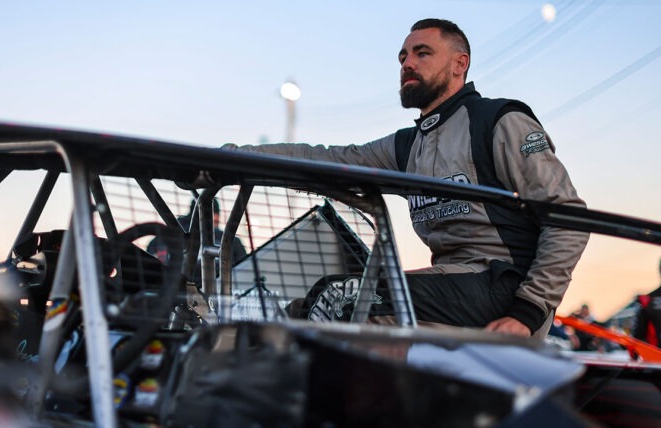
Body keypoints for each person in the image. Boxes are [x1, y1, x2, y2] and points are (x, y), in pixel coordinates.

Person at [224, 18, 589, 338]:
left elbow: (569, 218)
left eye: (422, 53)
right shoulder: (408, 146)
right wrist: (233, 160)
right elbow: (328, 160)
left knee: (343, 297)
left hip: (505, 288)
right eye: (403, 56)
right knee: (313, 302)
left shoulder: (498, 121)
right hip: (453, 284)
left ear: (459, 64)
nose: (407, 63)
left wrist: (528, 310)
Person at [148, 198, 247, 268]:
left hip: (171, 293)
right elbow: (244, 270)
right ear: (215, 215)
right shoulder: (230, 241)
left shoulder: (158, 241)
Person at [632, 259, 661, 347]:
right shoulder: (646, 300)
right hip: (656, 355)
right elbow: (638, 335)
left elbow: (638, 335)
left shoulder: (647, 300)